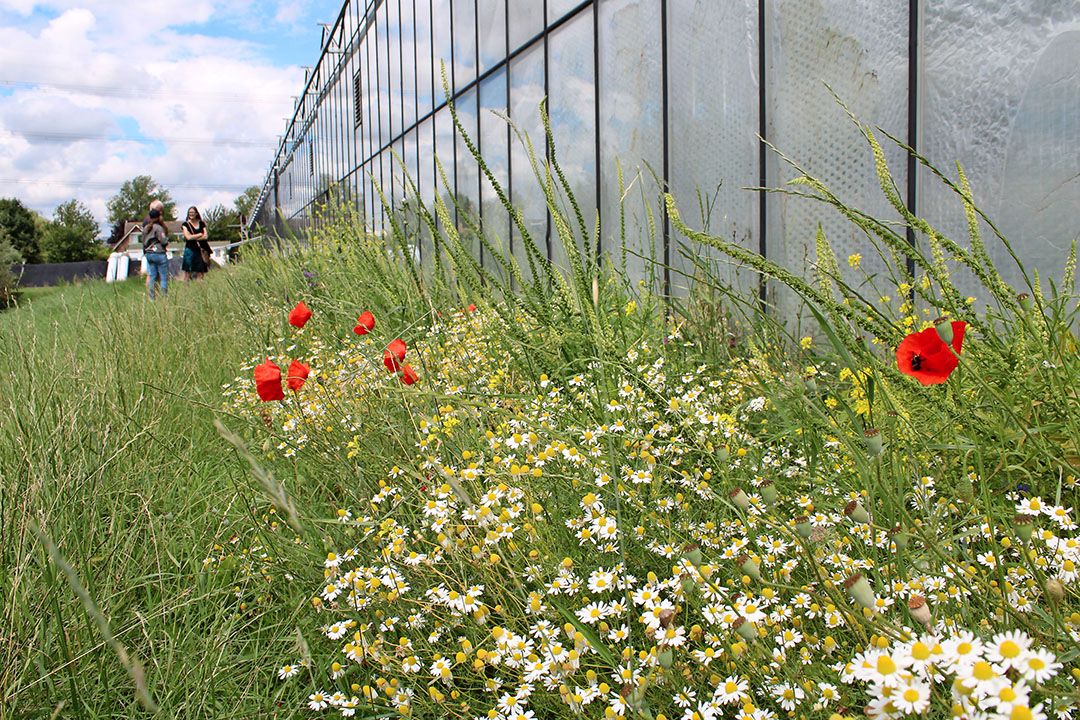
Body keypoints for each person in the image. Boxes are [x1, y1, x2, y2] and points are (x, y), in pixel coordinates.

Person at [142, 206, 170, 299]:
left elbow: (143, 241)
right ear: (159, 217)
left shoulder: (146, 228)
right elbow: (163, 241)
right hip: (159, 253)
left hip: (149, 254)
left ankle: (151, 298)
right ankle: (164, 298)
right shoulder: (159, 228)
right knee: (163, 277)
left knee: (152, 277)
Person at [181, 206, 211, 280]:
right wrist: (200, 234)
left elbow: (206, 236)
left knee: (200, 272)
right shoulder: (185, 225)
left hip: (200, 250)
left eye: (192, 212)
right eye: (189, 212)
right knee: (187, 272)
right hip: (190, 250)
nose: (191, 214)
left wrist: (193, 236)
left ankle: (200, 289)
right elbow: (188, 237)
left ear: (196, 213)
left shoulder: (201, 223)